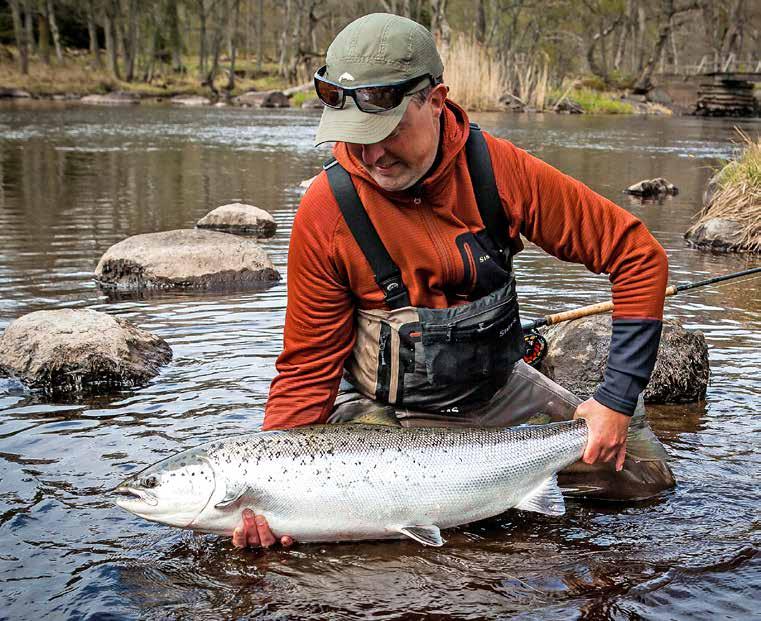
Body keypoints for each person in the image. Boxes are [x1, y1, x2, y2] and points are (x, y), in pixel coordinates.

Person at [232, 13, 675, 550]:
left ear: (436, 100)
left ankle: (504, 491)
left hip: (495, 392)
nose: (371, 156)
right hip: (385, 421)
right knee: (365, 540)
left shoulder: (499, 171)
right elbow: (306, 368)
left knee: (644, 478)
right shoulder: (327, 211)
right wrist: (271, 488)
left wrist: (616, 398)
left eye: (388, 131)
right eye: (354, 138)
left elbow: (637, 255)